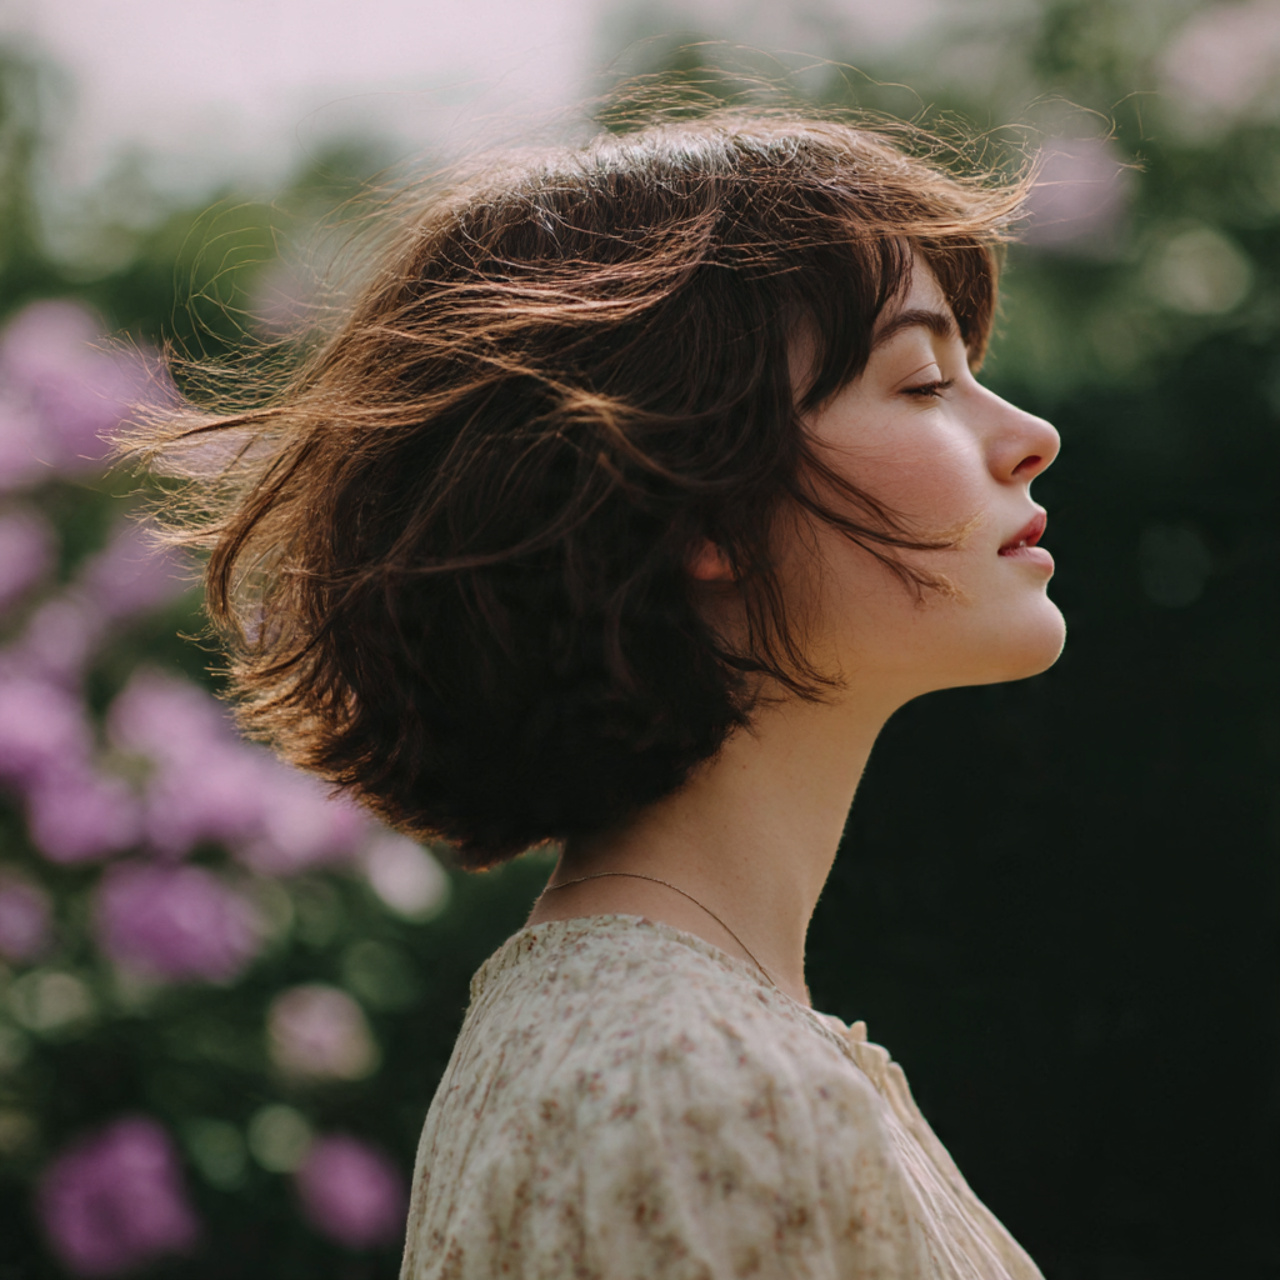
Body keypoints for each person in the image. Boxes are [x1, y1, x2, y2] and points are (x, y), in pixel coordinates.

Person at [135, 107, 1061, 1277]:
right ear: (697, 507)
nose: (1028, 434)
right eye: (924, 380)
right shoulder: (699, 1093)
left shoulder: (680, 1046)